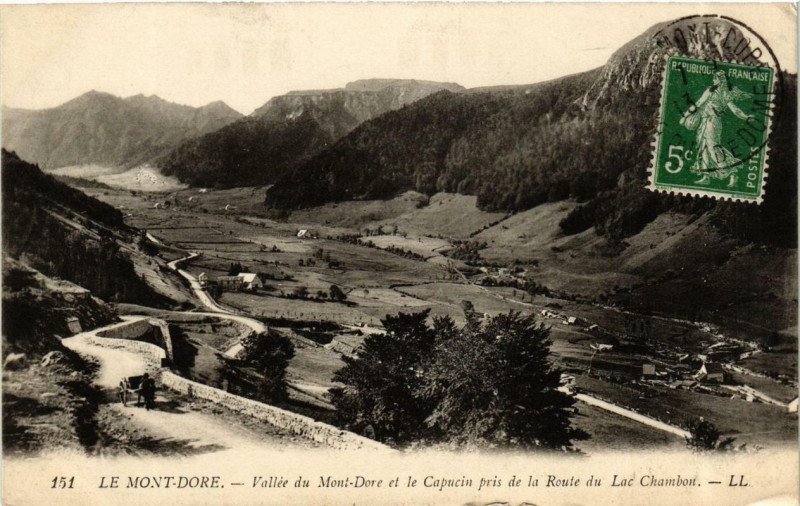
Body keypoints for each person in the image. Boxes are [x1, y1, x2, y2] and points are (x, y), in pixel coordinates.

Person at [680, 70, 754, 187]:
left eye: (715, 79)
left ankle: (732, 172)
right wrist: (745, 117)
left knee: (713, 148)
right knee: (702, 147)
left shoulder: (717, 92)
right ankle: (706, 176)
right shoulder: (722, 93)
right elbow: (735, 110)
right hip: (705, 122)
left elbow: (698, 103)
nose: (713, 80)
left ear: (719, 81)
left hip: (712, 123)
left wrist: (685, 116)